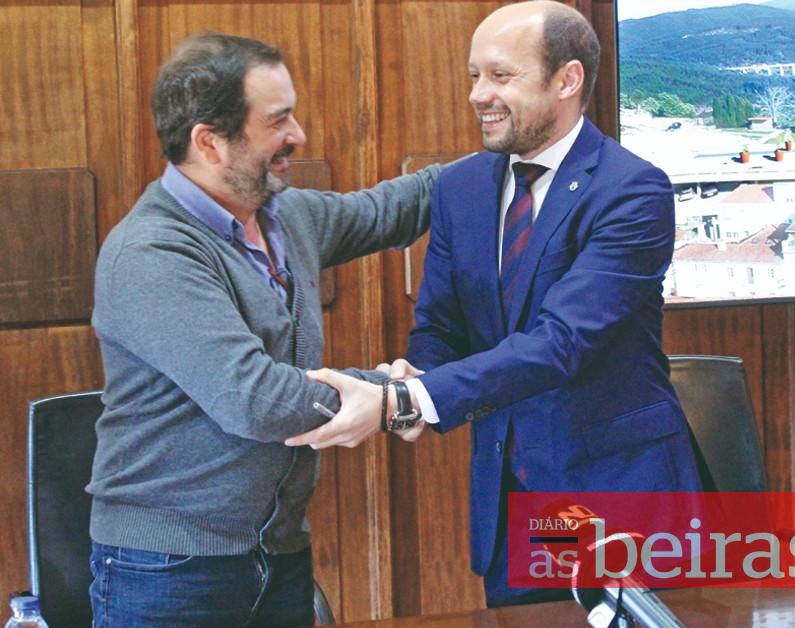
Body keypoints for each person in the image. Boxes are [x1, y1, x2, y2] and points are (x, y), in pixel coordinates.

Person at [285, 0, 701, 608]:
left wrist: (407, 401)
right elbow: (440, 325)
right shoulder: (461, 187)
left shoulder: (632, 190)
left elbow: (562, 343)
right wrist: (416, 375)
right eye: (474, 76)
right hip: (512, 508)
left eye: (501, 76)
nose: (479, 95)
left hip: (620, 498)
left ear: (567, 80)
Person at [87, 31, 439, 627]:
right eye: (277, 121)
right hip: (167, 571)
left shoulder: (286, 216)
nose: (298, 134)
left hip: (278, 553)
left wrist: (515, 150)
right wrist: (393, 395)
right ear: (209, 141)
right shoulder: (151, 252)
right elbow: (256, 400)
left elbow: (391, 208)